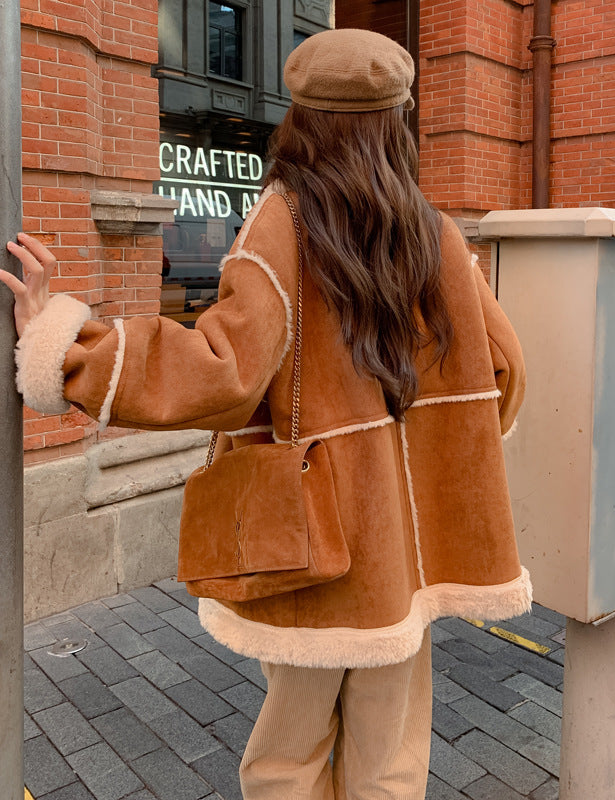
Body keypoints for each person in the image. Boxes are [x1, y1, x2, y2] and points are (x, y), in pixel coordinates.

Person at [1, 28, 530, 800]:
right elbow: (506, 371)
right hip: (406, 554)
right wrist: (432, 443)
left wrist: (65, 345)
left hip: (317, 542)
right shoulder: (435, 235)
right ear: (396, 122)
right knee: (390, 764)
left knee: (288, 759)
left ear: (303, 119)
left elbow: (220, 372)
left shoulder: (285, 222)